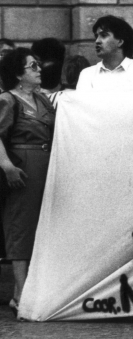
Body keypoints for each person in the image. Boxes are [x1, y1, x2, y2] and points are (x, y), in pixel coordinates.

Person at [0, 48, 55, 315]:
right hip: (21, 169)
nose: (39, 70)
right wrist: (6, 165)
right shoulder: (8, 100)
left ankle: (21, 292)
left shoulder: (42, 100)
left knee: (37, 229)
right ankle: (22, 293)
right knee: (20, 227)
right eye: (32, 66)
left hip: (45, 167)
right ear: (18, 74)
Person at [76, 15, 133, 90]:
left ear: (120, 41)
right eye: (96, 36)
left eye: (104, 35)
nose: (97, 41)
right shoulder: (87, 74)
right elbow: (82, 103)